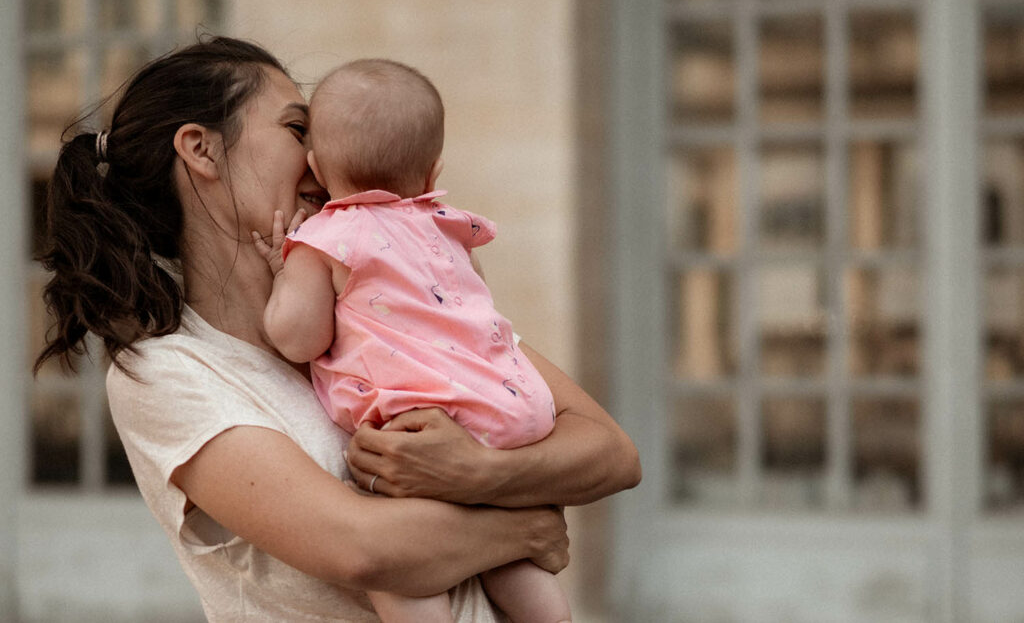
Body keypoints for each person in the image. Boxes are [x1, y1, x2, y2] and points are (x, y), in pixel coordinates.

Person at [33, 36, 641, 622]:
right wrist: (524, 522)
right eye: (299, 129)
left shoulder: (392, 298)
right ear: (201, 149)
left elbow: (610, 453)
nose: (324, 153)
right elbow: (361, 547)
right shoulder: (166, 373)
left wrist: (483, 474)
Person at [256, 59, 569, 623]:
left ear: (315, 168)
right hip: (504, 409)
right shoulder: (443, 226)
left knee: (400, 570)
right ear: (432, 174)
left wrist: (283, 273)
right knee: (509, 557)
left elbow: (296, 338)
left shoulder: (327, 237)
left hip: (417, 424)